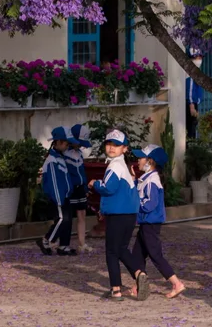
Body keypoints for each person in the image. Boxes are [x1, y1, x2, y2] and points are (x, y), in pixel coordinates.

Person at [89, 129, 148, 301]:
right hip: (129, 214)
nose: (111, 147)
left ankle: (116, 290)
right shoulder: (124, 166)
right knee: (121, 248)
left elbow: (109, 188)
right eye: (109, 144)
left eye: (116, 145)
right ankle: (139, 273)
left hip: (118, 214)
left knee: (111, 252)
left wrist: (95, 183)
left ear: (124, 148)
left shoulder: (115, 166)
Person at [130, 143, 187, 299]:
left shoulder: (152, 180)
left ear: (150, 161)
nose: (138, 160)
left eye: (141, 158)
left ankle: (176, 283)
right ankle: (138, 286)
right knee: (137, 256)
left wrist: (135, 204)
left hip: (150, 223)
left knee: (155, 255)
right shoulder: (147, 179)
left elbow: (149, 204)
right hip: (146, 223)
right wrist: (134, 182)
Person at [37, 128, 76, 256]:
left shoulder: (59, 157)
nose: (67, 146)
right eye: (66, 143)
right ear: (58, 142)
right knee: (61, 219)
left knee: (68, 220)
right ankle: (46, 240)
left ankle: (64, 245)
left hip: (65, 195)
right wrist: (58, 198)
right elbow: (54, 181)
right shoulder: (52, 160)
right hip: (58, 197)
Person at [64, 124, 93, 253]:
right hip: (70, 189)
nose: (81, 145)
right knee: (67, 217)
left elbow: (82, 172)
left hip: (80, 188)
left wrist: (85, 188)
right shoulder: (65, 154)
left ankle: (82, 243)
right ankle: (64, 243)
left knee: (82, 214)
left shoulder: (79, 154)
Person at [185, 48, 204, 140]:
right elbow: (190, 89)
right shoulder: (191, 71)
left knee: (193, 127)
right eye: (196, 58)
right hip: (191, 104)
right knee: (191, 128)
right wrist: (192, 106)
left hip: (194, 103)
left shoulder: (196, 71)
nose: (199, 60)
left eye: (200, 57)